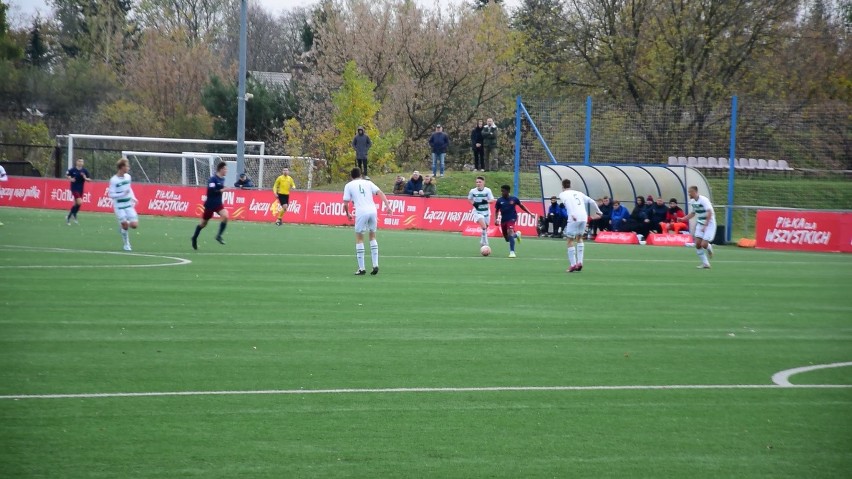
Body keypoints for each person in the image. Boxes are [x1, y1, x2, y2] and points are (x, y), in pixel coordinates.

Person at [343, 167, 392, 275]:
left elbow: (345, 203)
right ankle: (375, 264)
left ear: (351, 176)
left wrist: (348, 214)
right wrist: (388, 206)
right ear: (361, 175)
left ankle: (362, 268)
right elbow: (380, 193)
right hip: (372, 211)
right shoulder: (368, 183)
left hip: (361, 211)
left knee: (359, 238)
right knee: (372, 236)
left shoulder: (349, 185)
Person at [559, 179, 602, 272]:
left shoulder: (562, 194)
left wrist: (571, 214)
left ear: (562, 186)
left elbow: (568, 203)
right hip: (583, 216)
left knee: (569, 240)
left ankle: (573, 264)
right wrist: (599, 211)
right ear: (570, 185)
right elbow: (592, 201)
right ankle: (580, 262)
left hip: (574, 216)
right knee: (579, 237)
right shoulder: (578, 193)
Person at [192, 161, 229, 250]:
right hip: (210, 204)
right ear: (221, 169)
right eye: (225, 169)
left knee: (226, 215)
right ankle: (194, 238)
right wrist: (222, 190)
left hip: (218, 204)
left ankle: (219, 236)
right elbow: (211, 192)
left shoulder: (222, 179)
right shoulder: (212, 179)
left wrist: (222, 190)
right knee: (203, 224)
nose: (226, 171)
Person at [107, 158, 139, 251]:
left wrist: (134, 198)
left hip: (128, 204)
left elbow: (129, 189)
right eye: (127, 166)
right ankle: (126, 244)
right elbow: (111, 194)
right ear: (122, 167)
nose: (128, 168)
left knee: (134, 225)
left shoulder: (128, 177)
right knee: (125, 225)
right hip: (119, 205)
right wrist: (122, 194)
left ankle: (122, 227)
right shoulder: (114, 180)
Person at [494, 185, 533, 258]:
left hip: (512, 218)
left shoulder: (514, 199)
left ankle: (512, 252)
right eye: (501, 191)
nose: (502, 192)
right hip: (504, 220)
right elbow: (496, 210)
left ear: (508, 191)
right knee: (507, 239)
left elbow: (522, 206)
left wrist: (530, 213)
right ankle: (517, 234)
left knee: (510, 231)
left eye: (503, 191)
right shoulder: (499, 200)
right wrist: (496, 219)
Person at [683, 185, 716, 269]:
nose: (689, 194)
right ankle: (706, 263)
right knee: (697, 244)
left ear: (695, 192)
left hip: (709, 224)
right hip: (700, 223)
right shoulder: (693, 202)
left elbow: (709, 212)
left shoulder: (704, 200)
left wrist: (705, 225)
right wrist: (683, 219)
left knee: (704, 244)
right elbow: (693, 213)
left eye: (690, 192)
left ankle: (709, 247)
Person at [467, 176, 495, 249]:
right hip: (477, 212)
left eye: (480, 182)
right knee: (484, 226)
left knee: (485, 228)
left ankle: (482, 240)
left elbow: (492, 200)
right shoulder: (473, 191)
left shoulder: (487, 190)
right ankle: (486, 243)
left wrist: (486, 201)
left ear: (483, 183)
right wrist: (474, 203)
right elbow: (469, 199)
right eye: (477, 182)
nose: (478, 183)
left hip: (486, 212)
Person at [65, 158, 91, 225]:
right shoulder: (72, 170)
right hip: (74, 188)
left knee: (76, 204)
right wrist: (70, 179)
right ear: (77, 162)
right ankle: (73, 215)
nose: (81, 162)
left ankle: (69, 216)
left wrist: (85, 178)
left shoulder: (84, 171)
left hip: (81, 189)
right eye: (79, 161)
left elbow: (89, 179)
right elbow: (67, 175)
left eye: (82, 161)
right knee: (79, 202)